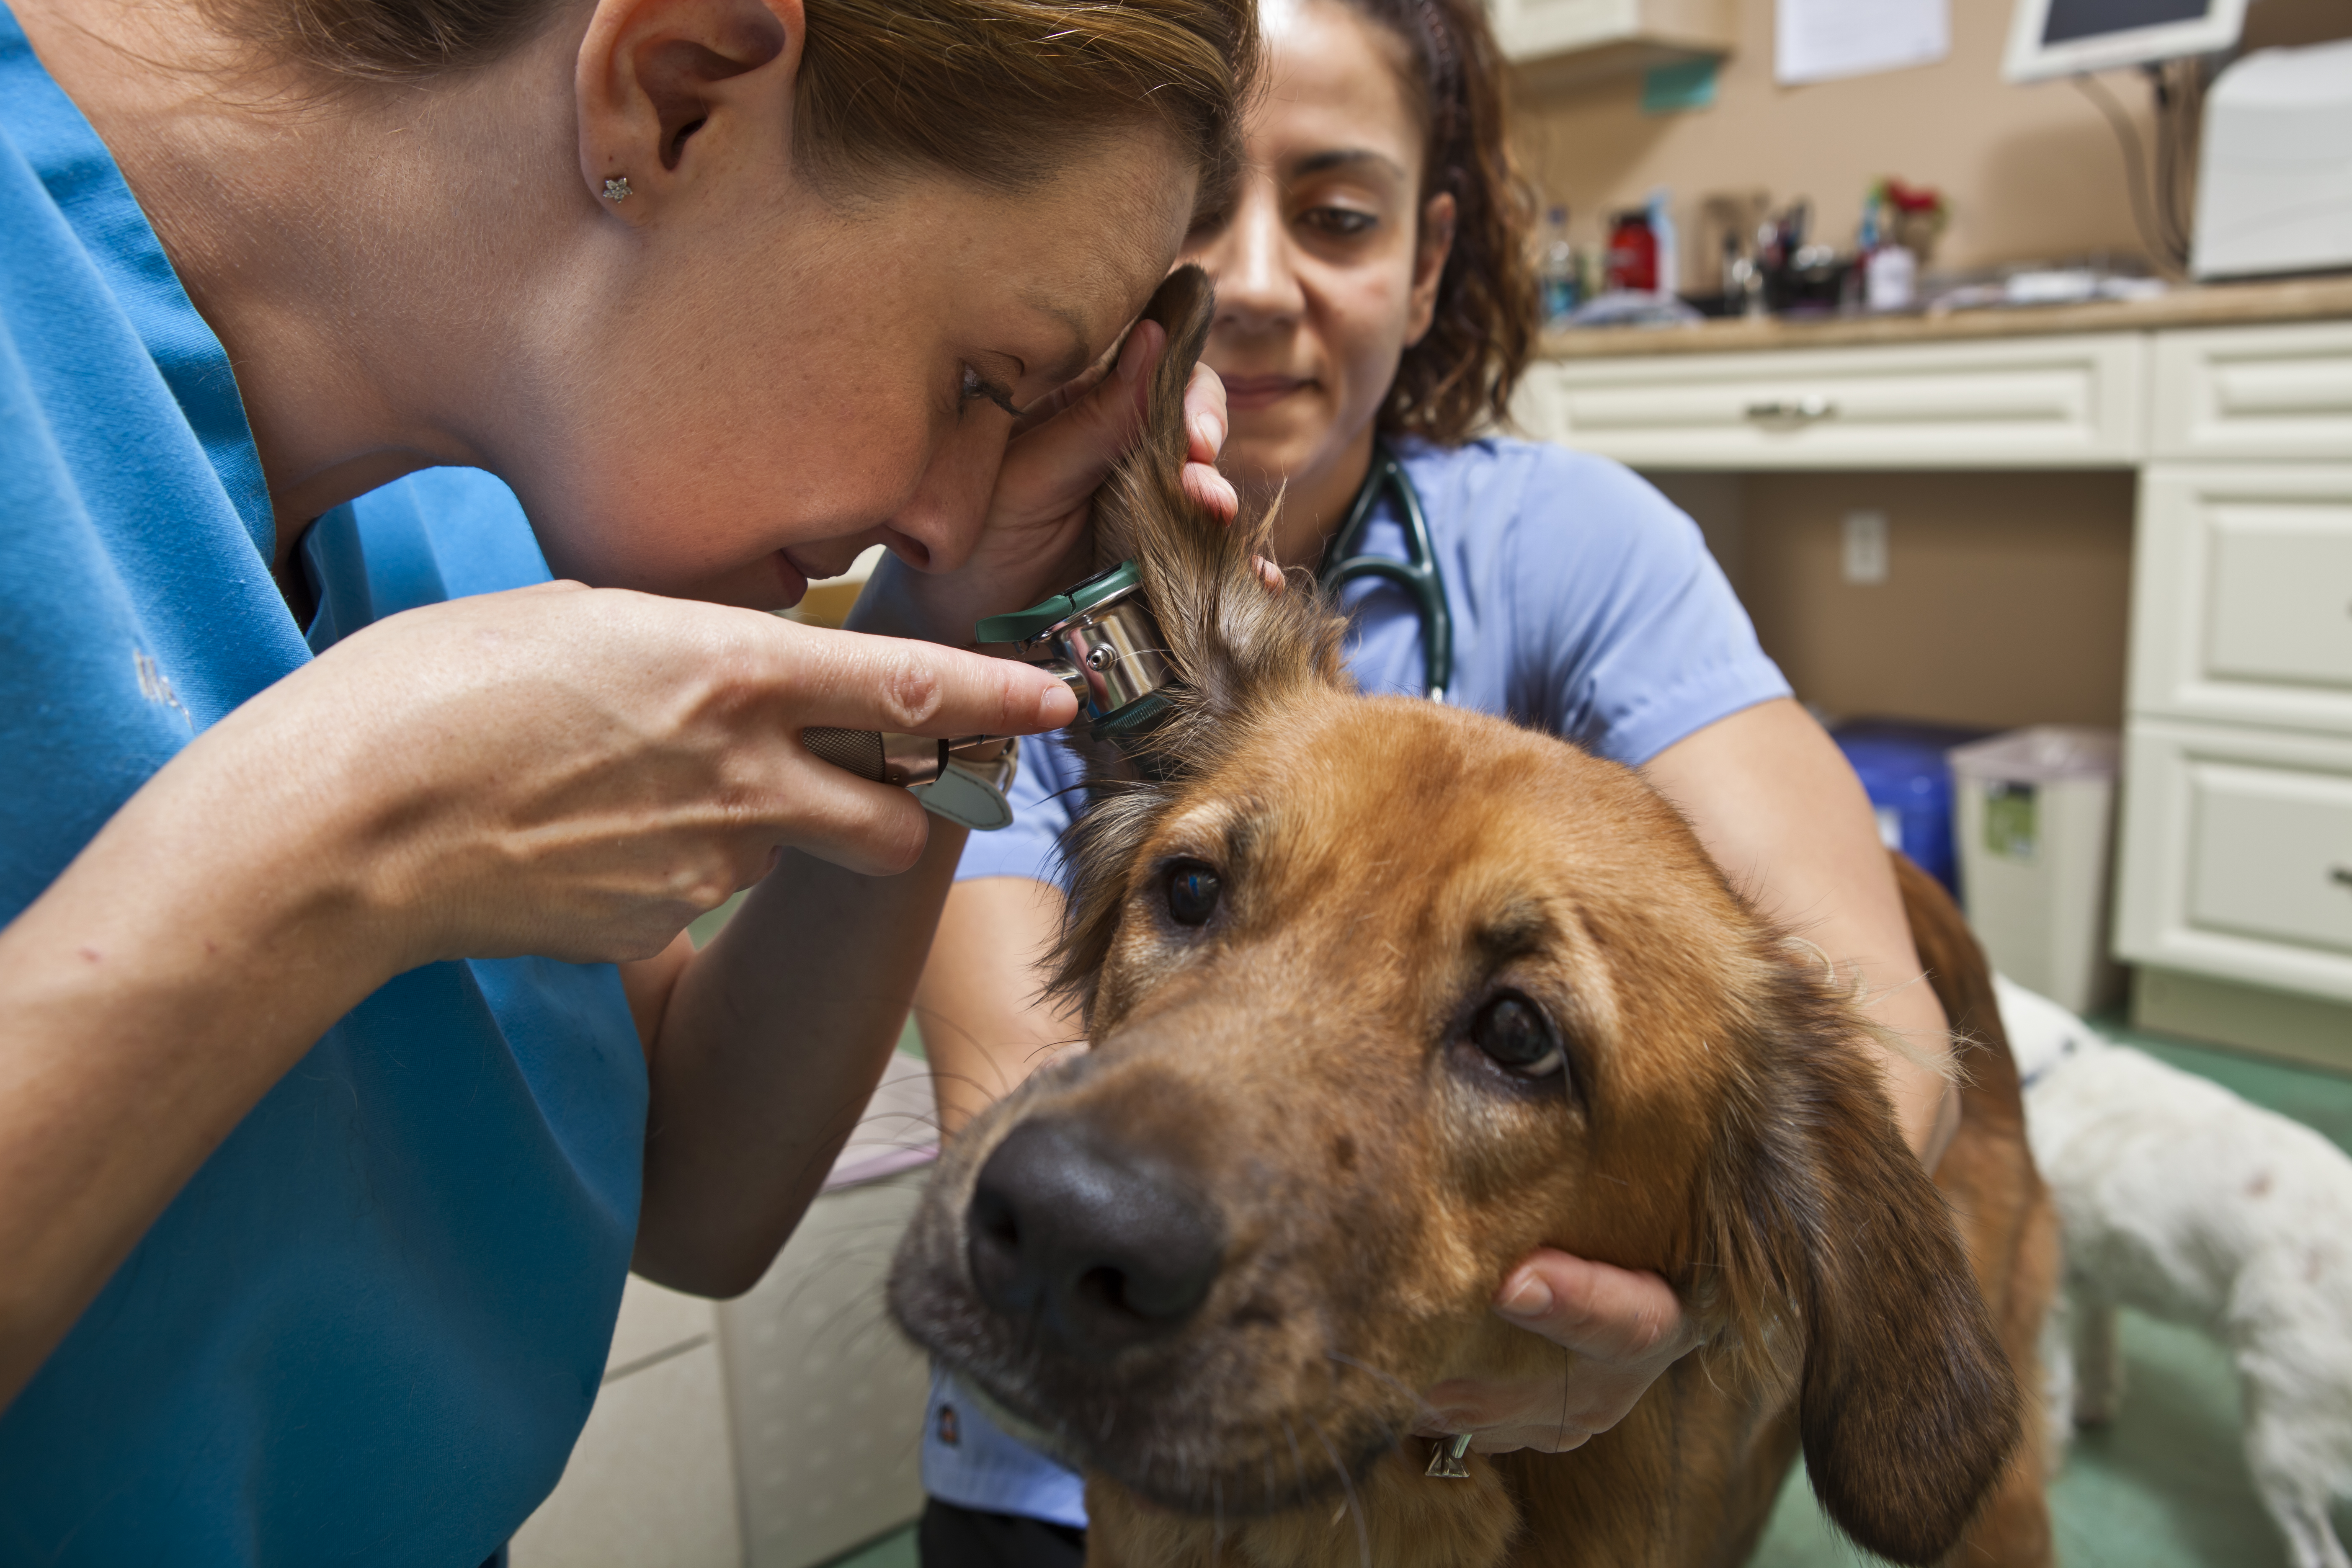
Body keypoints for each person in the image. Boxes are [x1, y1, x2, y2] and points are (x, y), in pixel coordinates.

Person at [0, 0, 1259, 1555]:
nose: (945, 508)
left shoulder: (479, 489)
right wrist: (342, 843)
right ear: (677, 94)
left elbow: (699, 1185)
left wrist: (959, 617)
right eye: (978, 383)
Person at [909, 0, 1960, 1559]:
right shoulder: (1019, 598)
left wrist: (1667, 1319)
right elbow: (1022, 1108)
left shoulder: (1581, 543)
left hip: (1518, 1432)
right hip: (1054, 1426)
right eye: (1195, 890)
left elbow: (1876, 1039)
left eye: (1335, 215)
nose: (1255, 282)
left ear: (1427, 253)